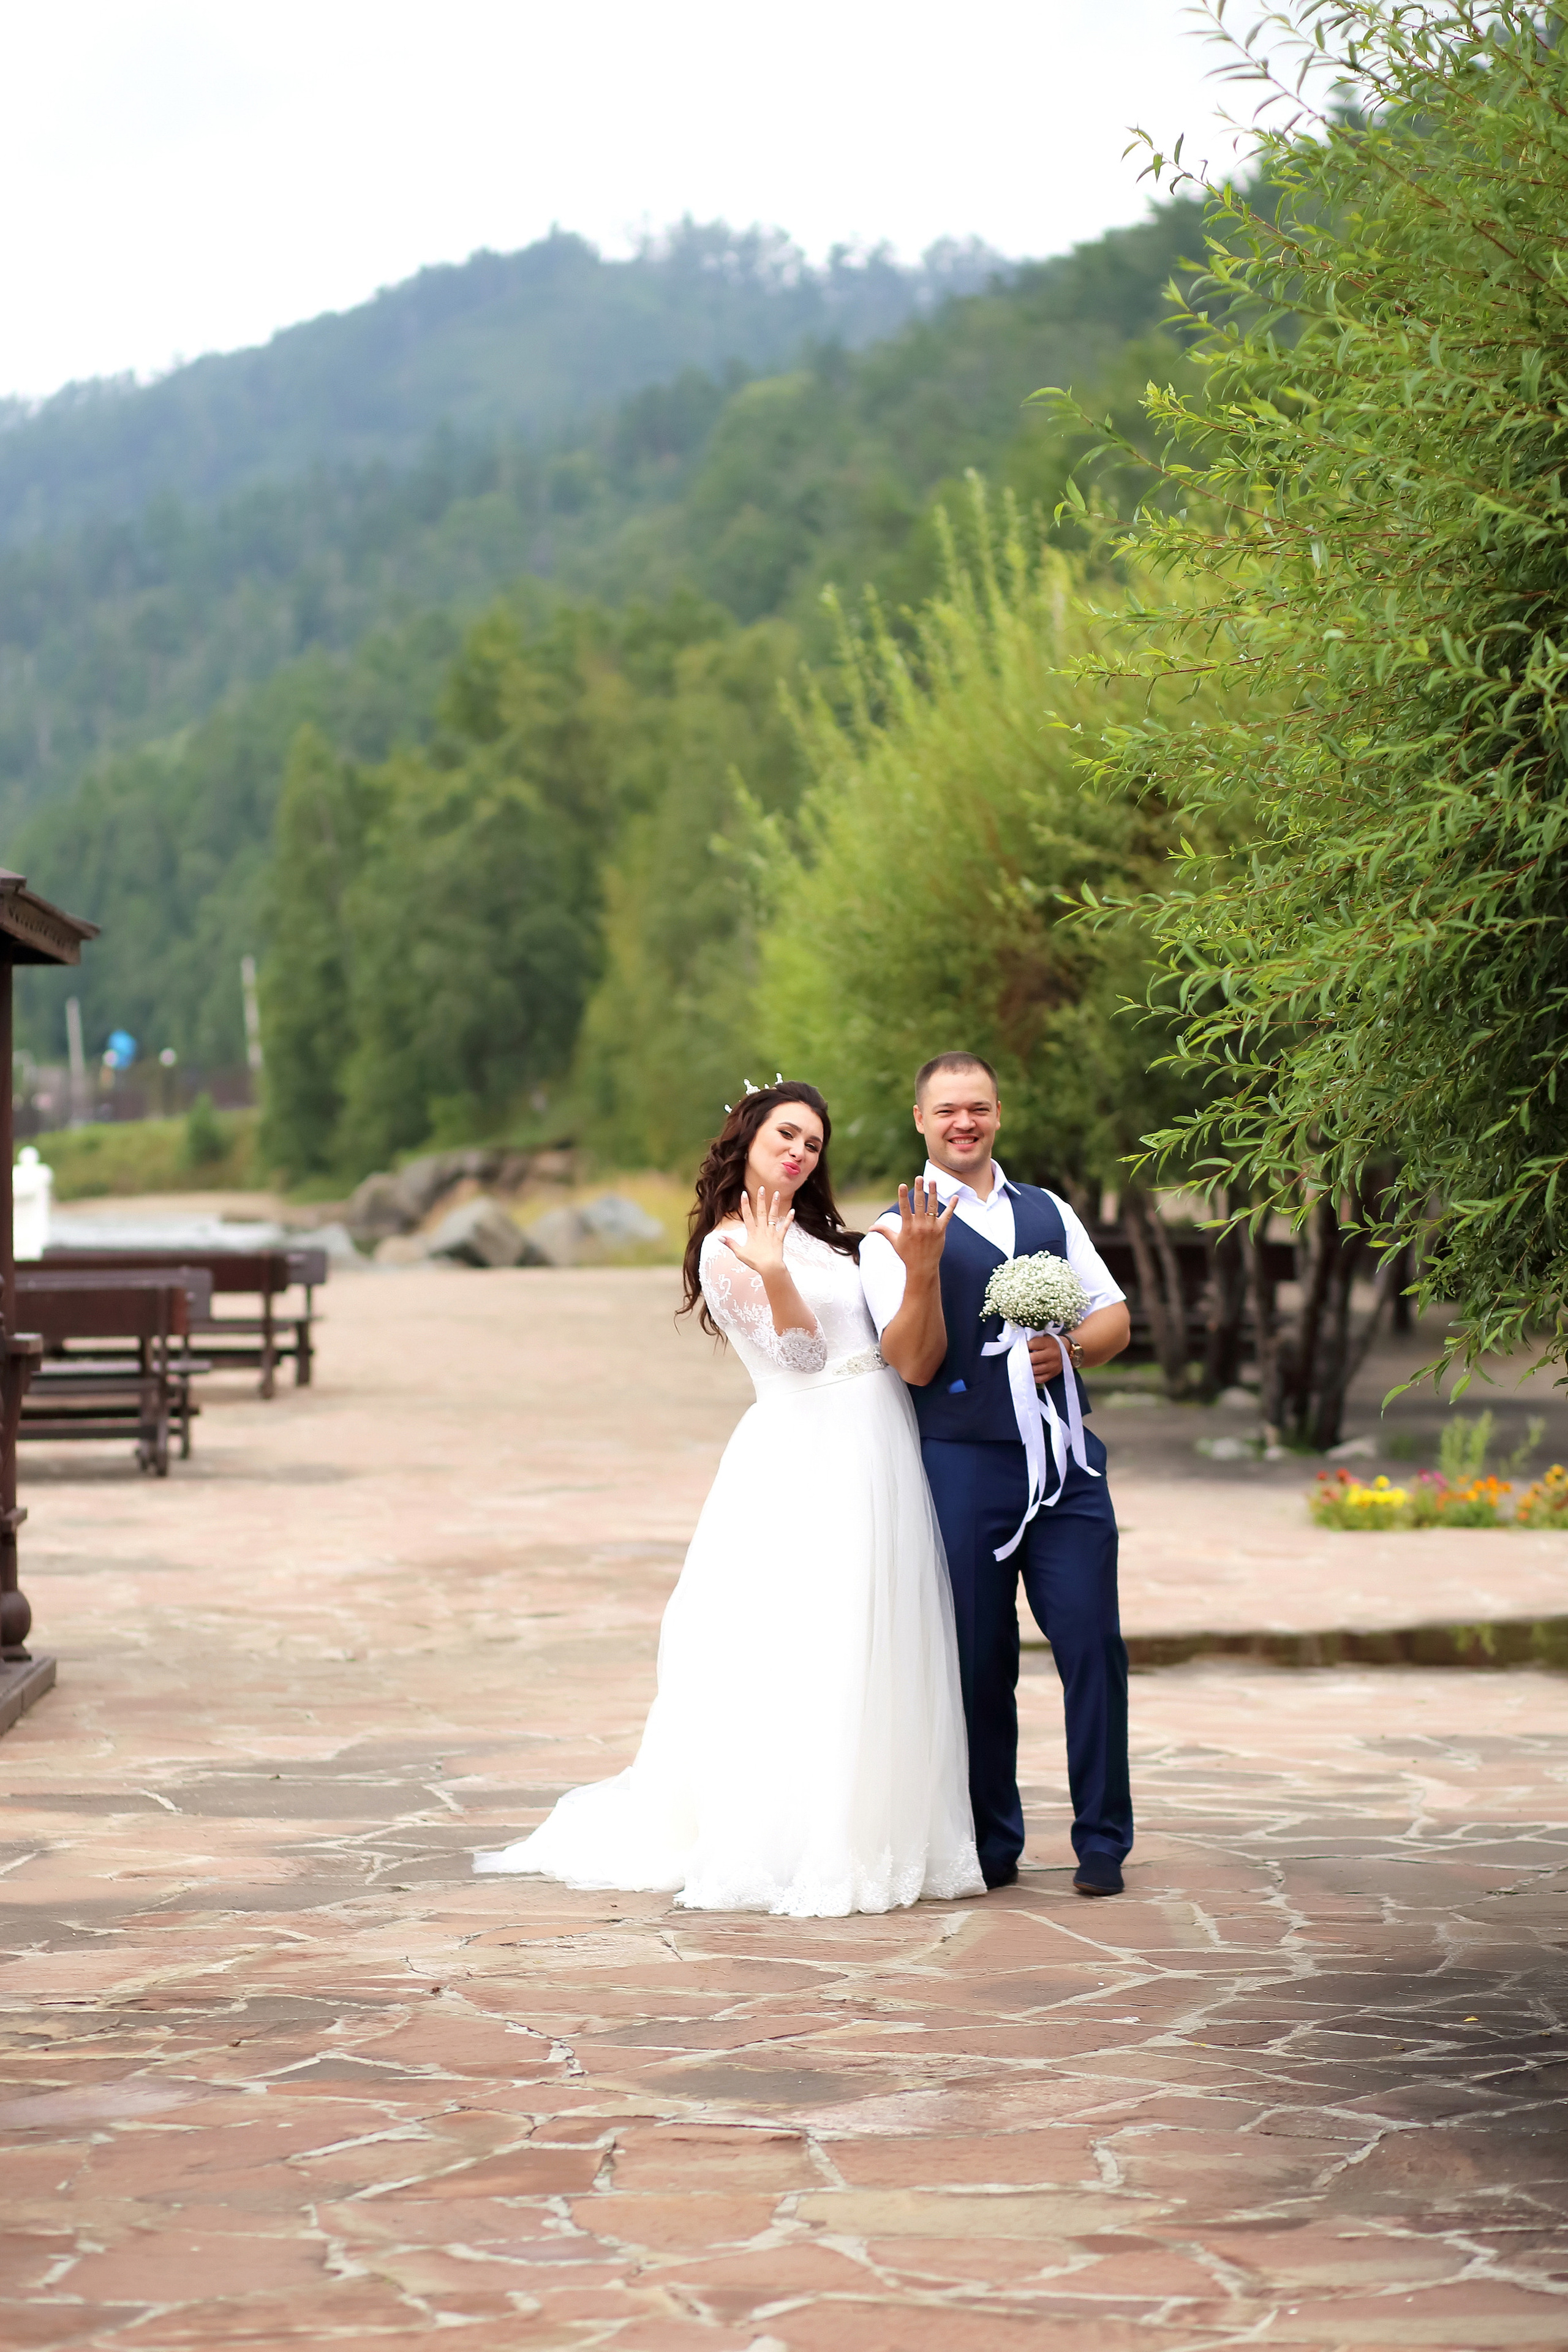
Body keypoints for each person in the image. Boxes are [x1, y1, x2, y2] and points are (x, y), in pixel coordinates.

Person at [475, 1080, 984, 1917]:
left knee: (874, 1629)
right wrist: (774, 1270)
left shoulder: (822, 1237)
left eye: (814, 1145)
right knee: (806, 1640)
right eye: (787, 1134)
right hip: (807, 1450)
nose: (799, 1152)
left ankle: (882, 1827)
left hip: (877, 1438)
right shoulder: (727, 1247)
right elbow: (800, 1354)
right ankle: (797, 1839)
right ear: (747, 1137)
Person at [858, 1052, 1134, 1896]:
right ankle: (991, 1842)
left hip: (1066, 1468)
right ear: (920, 1121)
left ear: (998, 1115)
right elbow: (911, 1364)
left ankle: (1102, 1843)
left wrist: (1071, 1348)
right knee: (980, 1664)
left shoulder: (1048, 1211)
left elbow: (1114, 1317)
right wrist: (924, 1267)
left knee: (1093, 1648)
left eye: (976, 1107)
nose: (962, 1122)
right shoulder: (888, 1232)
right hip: (962, 1469)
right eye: (946, 1110)